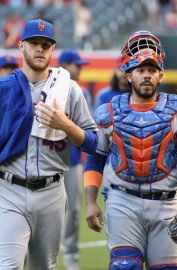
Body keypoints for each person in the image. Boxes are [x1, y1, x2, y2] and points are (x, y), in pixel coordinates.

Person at [84, 30, 177, 270]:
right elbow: (96, 158)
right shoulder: (109, 111)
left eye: (151, 70)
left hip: (166, 204)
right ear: (129, 76)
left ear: (161, 74)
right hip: (122, 200)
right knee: (125, 266)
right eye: (140, 70)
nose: (146, 75)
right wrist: (90, 200)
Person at [0, 19, 97, 269]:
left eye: (46, 44)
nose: (40, 49)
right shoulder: (3, 89)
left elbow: (94, 142)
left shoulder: (69, 90)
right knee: (8, 265)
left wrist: (66, 125)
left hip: (52, 191)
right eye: (34, 43)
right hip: (9, 190)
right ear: (21, 45)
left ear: (53, 49)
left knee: (44, 266)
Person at [58, 49, 91, 270]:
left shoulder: (82, 93)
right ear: (66, 65)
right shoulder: (48, 87)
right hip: (49, 161)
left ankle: (70, 256)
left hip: (74, 161)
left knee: (75, 211)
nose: (80, 68)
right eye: (76, 64)